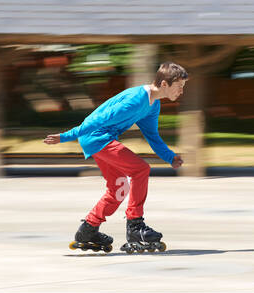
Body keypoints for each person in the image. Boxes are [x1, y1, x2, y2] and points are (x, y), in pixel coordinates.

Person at [48, 62, 187, 253]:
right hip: (97, 136)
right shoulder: (136, 100)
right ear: (164, 84)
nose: (181, 92)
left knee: (119, 187)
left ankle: (88, 230)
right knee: (140, 169)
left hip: (100, 139)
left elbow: (152, 136)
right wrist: (66, 136)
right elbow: (98, 120)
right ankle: (135, 225)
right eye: (179, 87)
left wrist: (170, 157)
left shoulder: (153, 105)